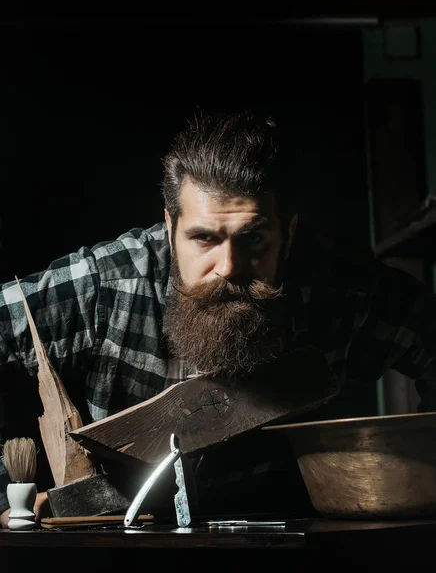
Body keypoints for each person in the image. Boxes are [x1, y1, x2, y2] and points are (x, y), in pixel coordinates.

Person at [1, 110, 436, 528]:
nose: (229, 266)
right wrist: (6, 493)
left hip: (287, 545)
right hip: (124, 548)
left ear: (290, 233)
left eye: (254, 239)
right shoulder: (109, 284)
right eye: (204, 238)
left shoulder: (343, 289)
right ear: (170, 228)